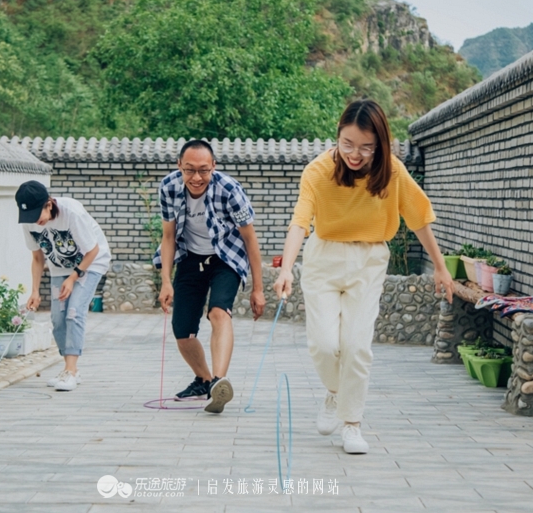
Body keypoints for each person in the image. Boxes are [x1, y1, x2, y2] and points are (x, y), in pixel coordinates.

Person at [273, 99, 454, 454]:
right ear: (338, 137)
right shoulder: (317, 171)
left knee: (357, 347)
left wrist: (441, 267)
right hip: (323, 258)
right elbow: (300, 221)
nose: (355, 155)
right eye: (348, 144)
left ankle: (352, 423)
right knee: (325, 345)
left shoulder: (393, 173)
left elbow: (419, 220)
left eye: (366, 147)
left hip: (369, 260)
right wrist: (285, 269)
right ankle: (335, 392)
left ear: (380, 145)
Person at [155, 139, 266, 413]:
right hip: (190, 257)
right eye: (189, 170)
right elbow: (168, 236)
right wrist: (166, 281)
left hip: (225, 258)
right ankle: (204, 379)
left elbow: (250, 240)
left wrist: (258, 289)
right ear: (179, 165)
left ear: (213, 166)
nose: (196, 177)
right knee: (182, 331)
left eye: (203, 170)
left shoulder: (229, 190)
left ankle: (219, 383)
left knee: (219, 313)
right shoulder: (169, 187)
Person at [17, 180, 112, 392]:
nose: (35, 221)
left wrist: (73, 278)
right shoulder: (29, 222)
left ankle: (71, 370)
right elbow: (37, 257)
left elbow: (92, 250)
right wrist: (34, 291)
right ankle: (69, 369)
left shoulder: (71, 213)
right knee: (57, 318)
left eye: (37, 214)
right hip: (60, 267)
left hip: (91, 263)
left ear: (49, 204)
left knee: (74, 311)